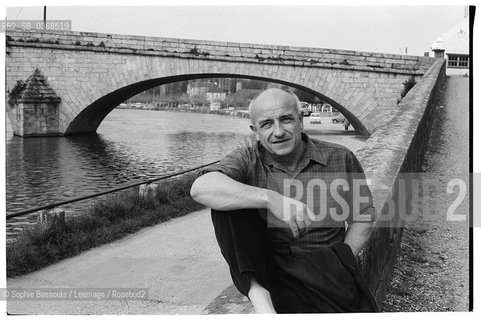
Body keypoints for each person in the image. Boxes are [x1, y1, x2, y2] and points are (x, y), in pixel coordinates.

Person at [190, 88, 377, 313]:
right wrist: (271, 199)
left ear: (300, 121)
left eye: (286, 119)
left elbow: (364, 214)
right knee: (224, 201)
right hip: (270, 270)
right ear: (255, 131)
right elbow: (200, 189)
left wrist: (344, 258)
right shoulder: (248, 157)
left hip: (324, 267)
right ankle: (258, 295)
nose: (278, 132)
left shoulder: (340, 157)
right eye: (267, 124)